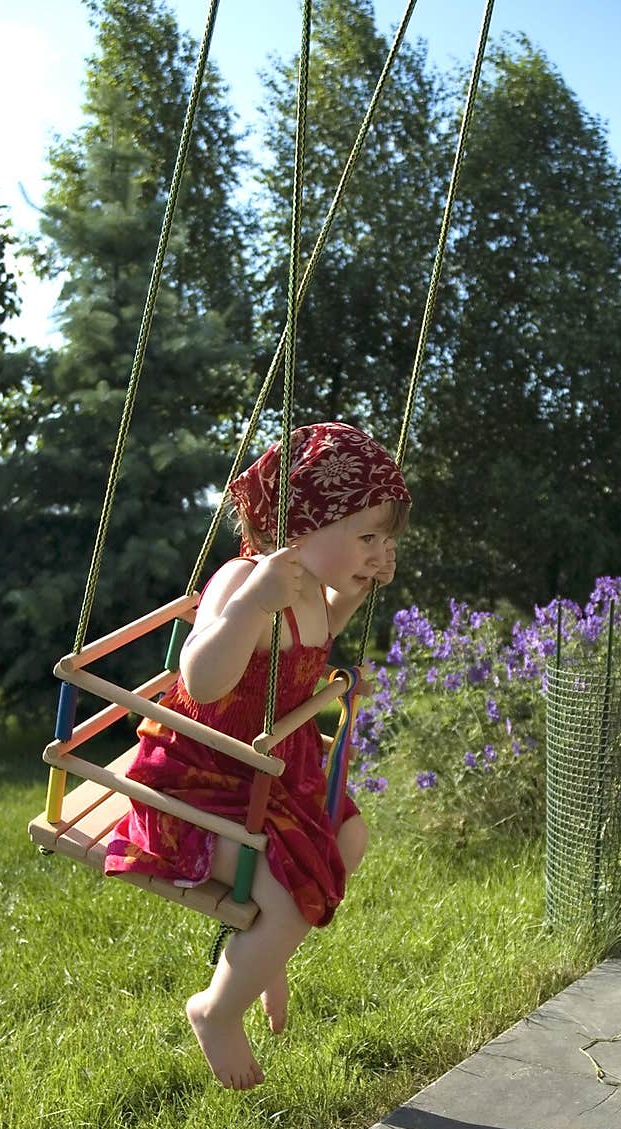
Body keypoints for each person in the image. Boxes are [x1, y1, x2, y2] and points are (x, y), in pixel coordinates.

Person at [104, 422, 411, 1090]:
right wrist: (247, 607)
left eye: (387, 540)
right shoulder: (245, 582)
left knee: (348, 839)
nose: (380, 550)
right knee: (294, 890)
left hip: (272, 767)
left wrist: (357, 587)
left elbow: (318, 629)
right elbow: (202, 677)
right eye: (367, 537)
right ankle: (215, 1009)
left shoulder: (305, 585)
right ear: (303, 524)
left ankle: (261, 958)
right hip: (204, 779)